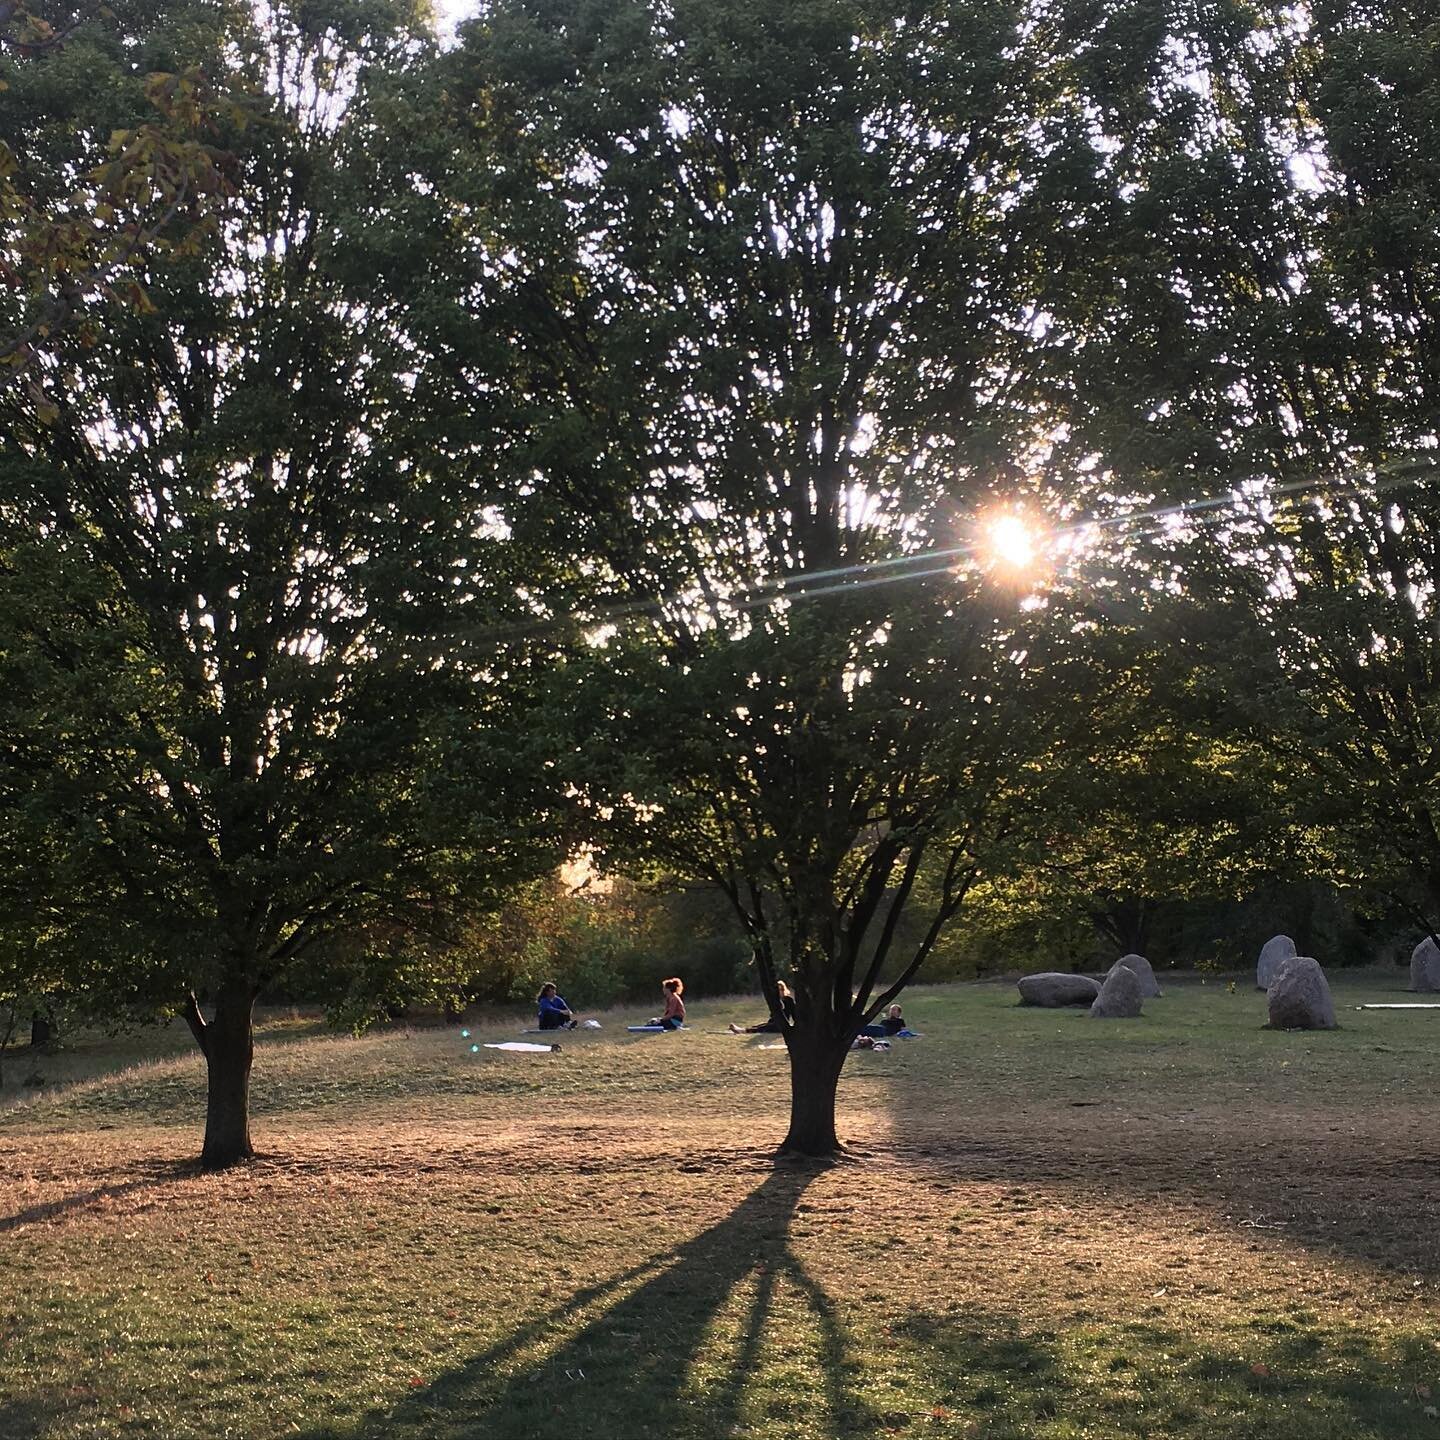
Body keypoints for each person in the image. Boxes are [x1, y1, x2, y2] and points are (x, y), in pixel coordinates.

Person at [729, 980, 796, 1034]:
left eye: (781, 989)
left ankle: (743, 1031)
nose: (780, 992)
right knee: (761, 1026)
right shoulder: (775, 1000)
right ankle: (743, 1029)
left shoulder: (788, 1000)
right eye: (778, 990)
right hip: (774, 1023)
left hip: (782, 1025)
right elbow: (773, 1015)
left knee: (763, 1028)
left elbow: (794, 1014)